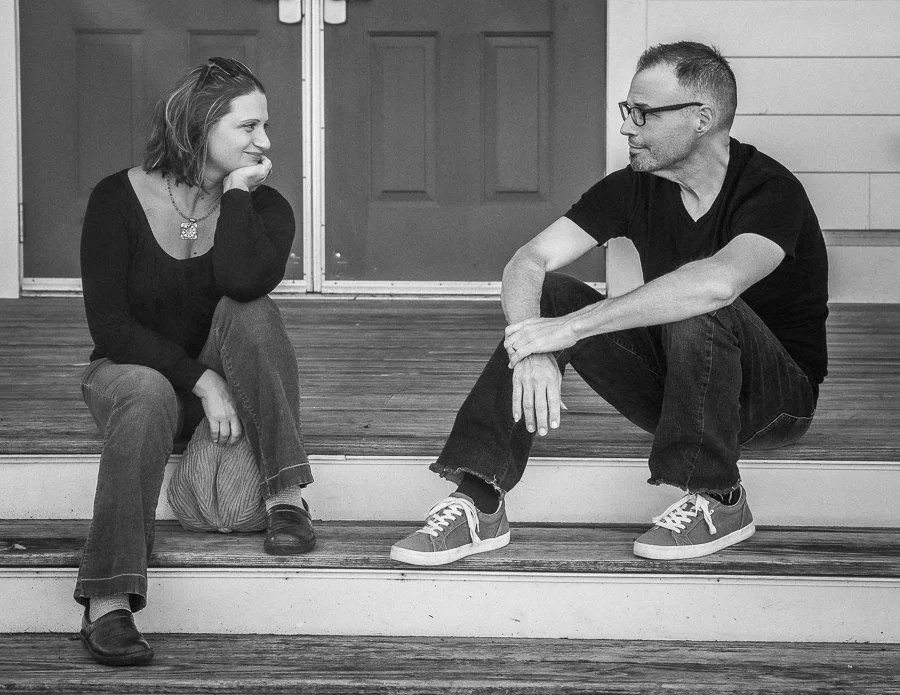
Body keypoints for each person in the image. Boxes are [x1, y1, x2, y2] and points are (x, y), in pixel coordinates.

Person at [391, 42, 828, 567]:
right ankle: (479, 501)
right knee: (549, 295)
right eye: (628, 111)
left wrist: (569, 330)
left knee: (696, 300)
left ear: (701, 119)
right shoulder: (634, 187)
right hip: (681, 394)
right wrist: (532, 345)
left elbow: (718, 284)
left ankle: (720, 497)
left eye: (643, 113)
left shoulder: (771, 191)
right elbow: (527, 261)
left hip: (774, 403)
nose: (627, 127)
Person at [77, 58, 314, 666]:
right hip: (132, 376)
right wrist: (200, 379)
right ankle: (107, 603)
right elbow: (110, 329)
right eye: (248, 128)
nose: (264, 142)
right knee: (148, 392)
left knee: (254, 314)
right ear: (201, 124)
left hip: (226, 387)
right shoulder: (115, 198)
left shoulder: (267, 208)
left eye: (265, 127)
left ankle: (285, 495)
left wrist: (235, 196)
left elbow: (242, 281)